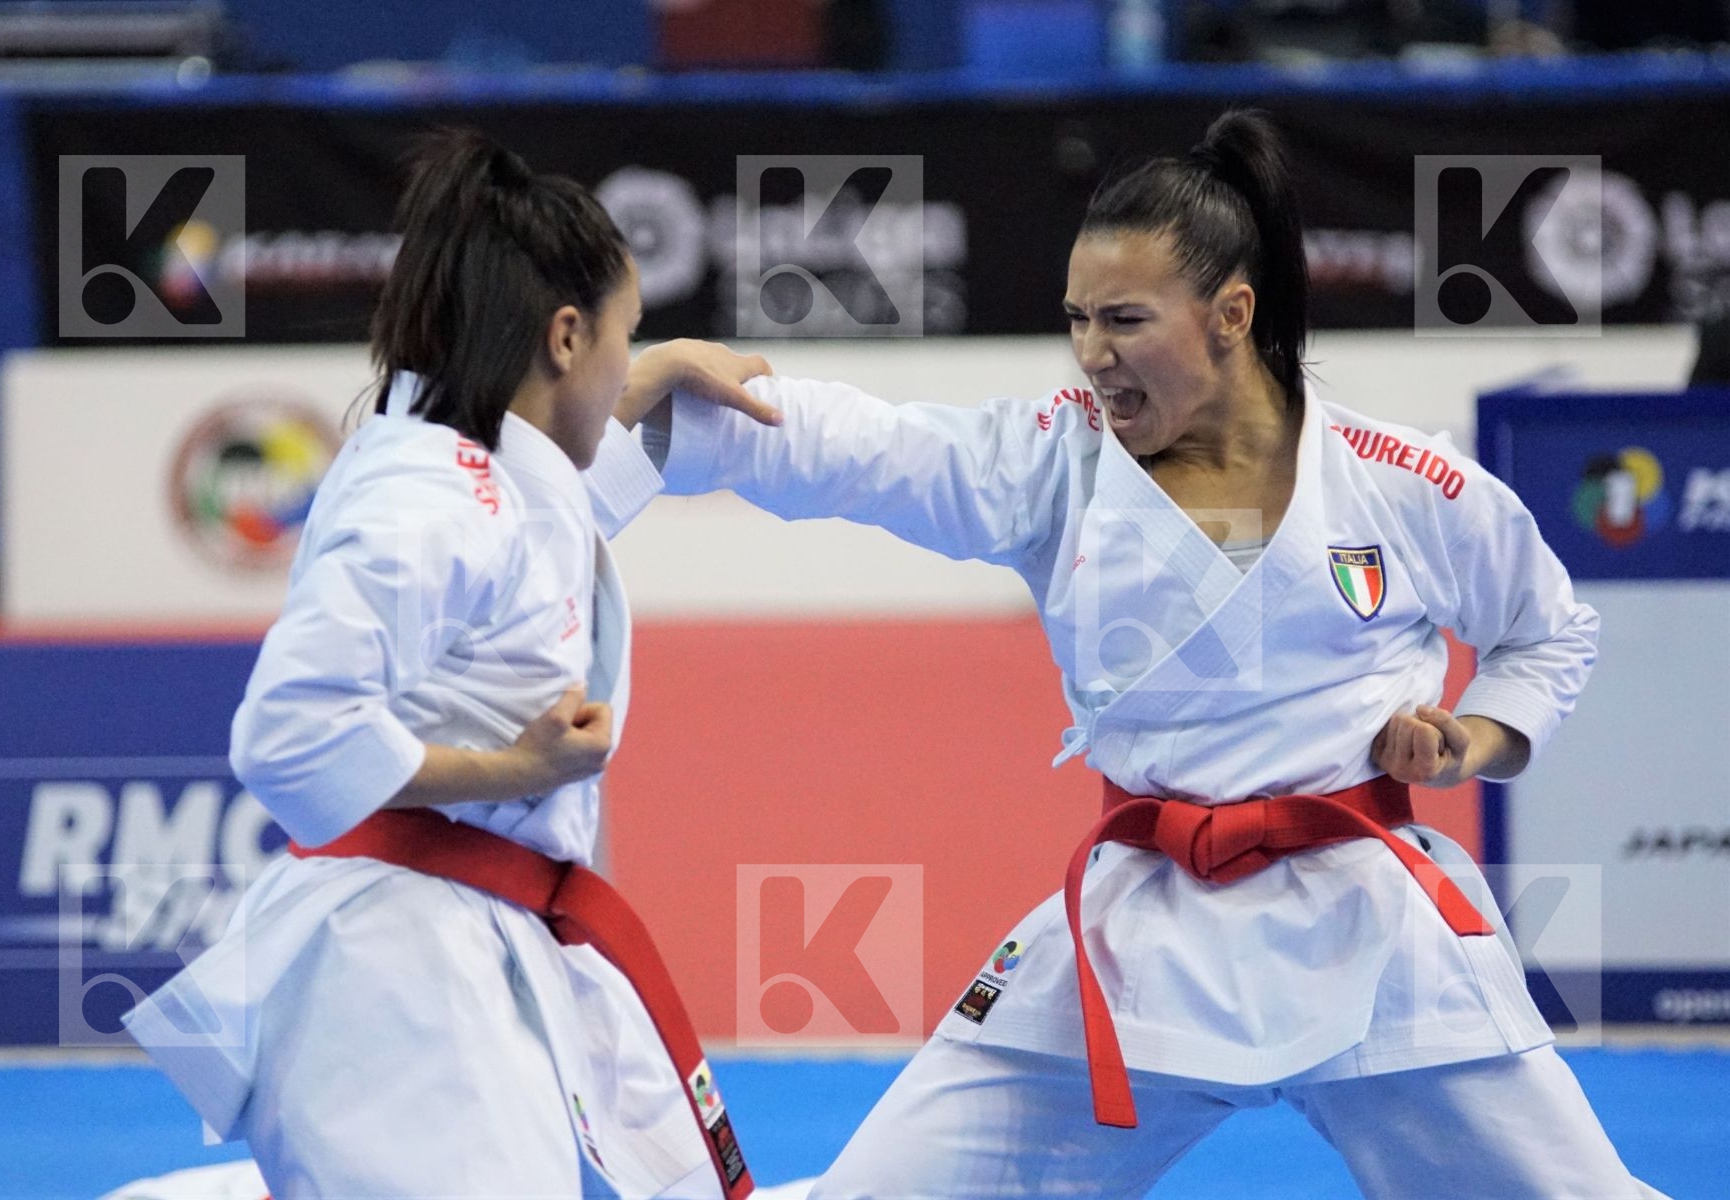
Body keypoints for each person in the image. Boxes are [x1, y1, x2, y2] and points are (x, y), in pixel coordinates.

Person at [608, 110, 1667, 1197]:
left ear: (1230, 316)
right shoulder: (1055, 462)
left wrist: (1468, 740)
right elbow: (872, 449)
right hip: (1137, 936)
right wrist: (670, 395)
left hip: (1375, 935)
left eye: (1124, 320)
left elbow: (1548, 628)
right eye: (1077, 320)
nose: (1093, 354)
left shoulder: (1397, 477)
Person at [125, 130, 779, 1200]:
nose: (628, 357)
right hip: (395, 978)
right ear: (565, 338)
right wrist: (511, 774)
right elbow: (290, 732)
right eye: (627, 335)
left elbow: (526, 555)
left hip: (435, 953)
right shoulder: (428, 499)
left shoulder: (459, 463)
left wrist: (652, 374)